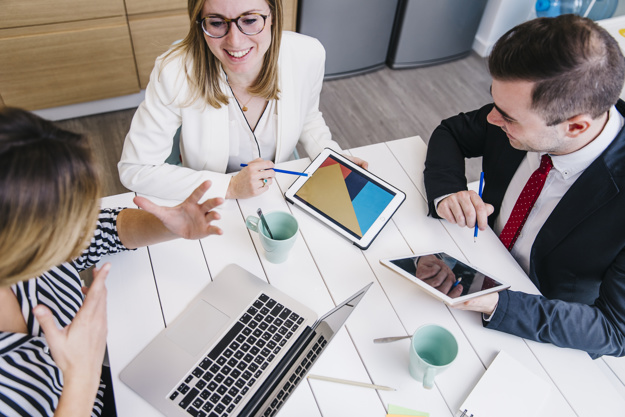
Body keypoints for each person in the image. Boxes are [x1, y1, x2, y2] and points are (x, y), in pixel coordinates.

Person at [0, 107, 225, 416]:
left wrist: (168, 224)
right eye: (61, 224)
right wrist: (82, 374)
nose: (76, 231)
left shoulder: (29, 248)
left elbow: (98, 231)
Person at [423, 14, 625, 358]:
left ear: (575, 127)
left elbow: (613, 330)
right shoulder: (519, 111)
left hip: (540, 325)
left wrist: (495, 303)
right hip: (471, 254)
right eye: (494, 100)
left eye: (508, 118)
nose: (491, 119)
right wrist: (448, 193)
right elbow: (452, 132)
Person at [118, 0, 367, 202]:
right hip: (210, 198)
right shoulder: (174, 72)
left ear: (273, 17)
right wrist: (230, 187)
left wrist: (333, 158)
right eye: (216, 23)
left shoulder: (307, 54)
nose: (235, 41)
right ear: (199, 24)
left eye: (249, 20)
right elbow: (135, 169)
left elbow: (309, 117)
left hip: (281, 188)